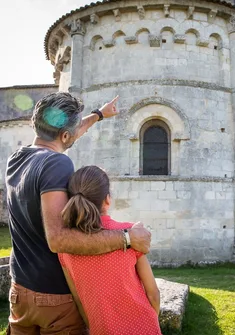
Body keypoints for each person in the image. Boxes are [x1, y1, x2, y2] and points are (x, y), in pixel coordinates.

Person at [5, 92, 151, 334]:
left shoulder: (16, 159)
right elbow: (58, 239)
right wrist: (127, 238)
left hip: (19, 291)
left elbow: (69, 134)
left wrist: (99, 115)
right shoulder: (56, 163)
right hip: (54, 298)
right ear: (64, 135)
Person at [59, 165, 162, 335]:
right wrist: (152, 322)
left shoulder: (65, 247)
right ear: (107, 199)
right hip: (145, 327)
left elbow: (79, 300)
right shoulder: (130, 234)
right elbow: (153, 293)